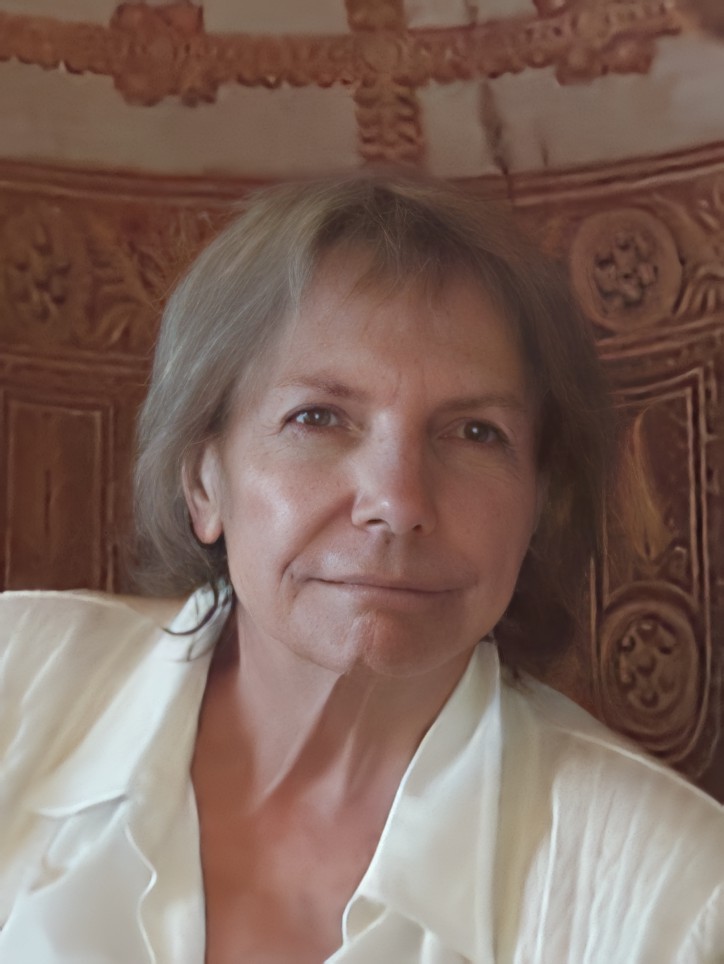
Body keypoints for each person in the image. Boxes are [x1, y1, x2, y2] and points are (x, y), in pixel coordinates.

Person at [0, 173, 722, 964]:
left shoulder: (675, 902)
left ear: (538, 506)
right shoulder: (15, 681)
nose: (398, 501)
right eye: (318, 418)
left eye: (475, 433)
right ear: (204, 482)